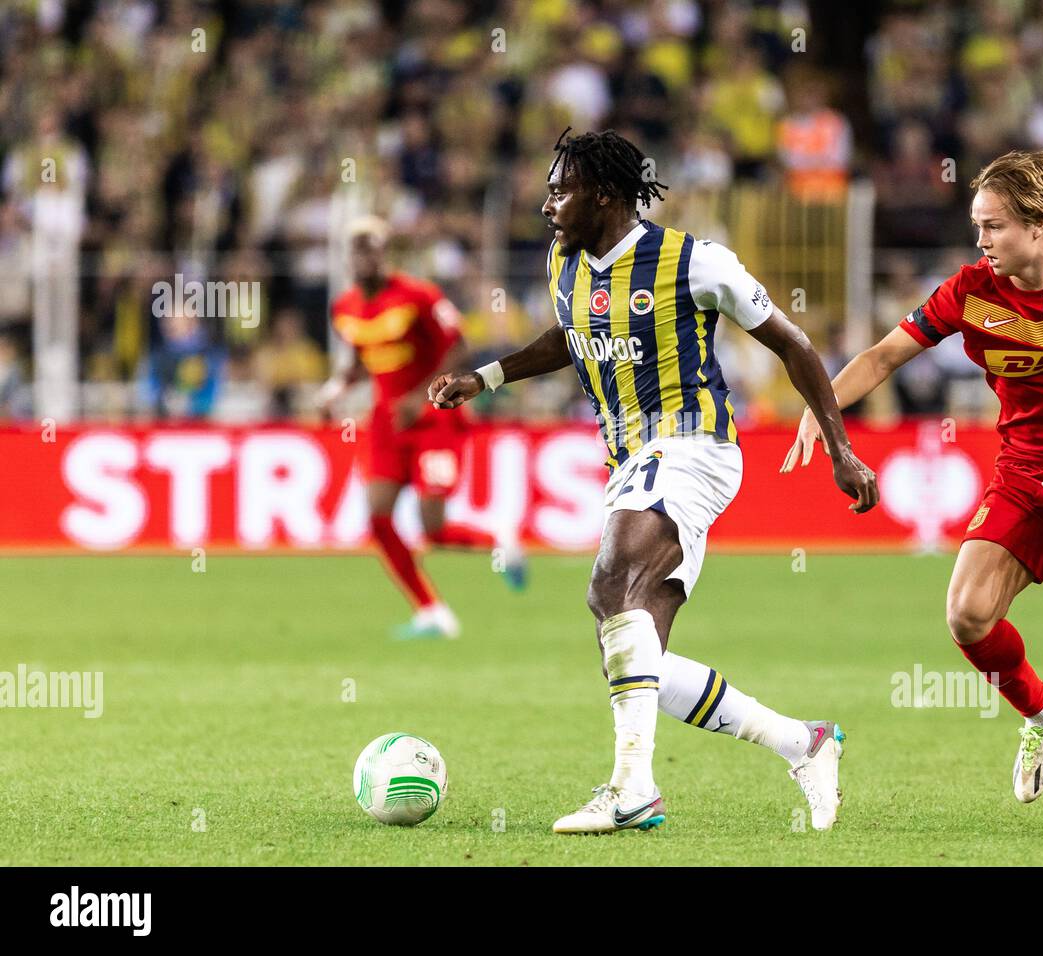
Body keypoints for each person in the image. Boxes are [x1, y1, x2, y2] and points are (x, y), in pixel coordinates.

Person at [431, 129, 878, 834]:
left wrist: (839, 446)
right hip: (631, 462)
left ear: (604, 195)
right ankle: (804, 742)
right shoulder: (563, 261)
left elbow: (793, 344)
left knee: (610, 585)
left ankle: (631, 789)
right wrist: (484, 377)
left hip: (692, 446)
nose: (547, 203)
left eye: (560, 189)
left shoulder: (695, 262)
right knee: (634, 645)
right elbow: (567, 336)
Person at [783, 150, 1043, 826]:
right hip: (1026, 472)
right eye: (978, 226)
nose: (982, 241)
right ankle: (1041, 711)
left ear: (1039, 224)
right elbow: (884, 354)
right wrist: (823, 408)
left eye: (995, 226)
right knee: (967, 615)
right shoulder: (972, 290)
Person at [319, 216, 524, 641]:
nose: (364, 257)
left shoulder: (418, 296)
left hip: (434, 418)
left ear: (385, 254)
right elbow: (361, 360)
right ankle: (432, 611)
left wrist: (419, 397)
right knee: (378, 518)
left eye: (371, 249)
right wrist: (335, 391)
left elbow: (459, 346)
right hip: (387, 423)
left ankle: (498, 539)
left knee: (434, 529)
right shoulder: (345, 308)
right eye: (357, 250)